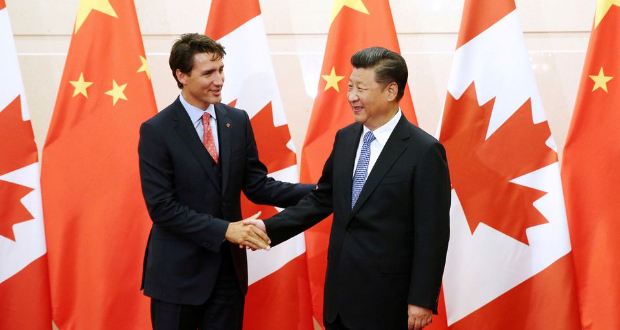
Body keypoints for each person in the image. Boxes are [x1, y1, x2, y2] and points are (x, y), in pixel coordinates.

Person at [247, 47, 451, 330]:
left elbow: (433, 232)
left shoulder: (424, 151)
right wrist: (268, 229)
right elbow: (323, 198)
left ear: (391, 91)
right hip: (340, 298)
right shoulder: (345, 138)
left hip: (388, 300)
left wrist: (422, 298)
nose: (351, 96)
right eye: (350, 87)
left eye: (361, 89)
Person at [138, 33, 314, 330]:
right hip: (177, 277)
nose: (218, 80)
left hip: (227, 276)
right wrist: (226, 230)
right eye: (208, 73)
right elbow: (162, 207)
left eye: (221, 70)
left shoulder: (238, 120)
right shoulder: (157, 130)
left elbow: (259, 186)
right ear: (182, 75)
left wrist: (324, 191)